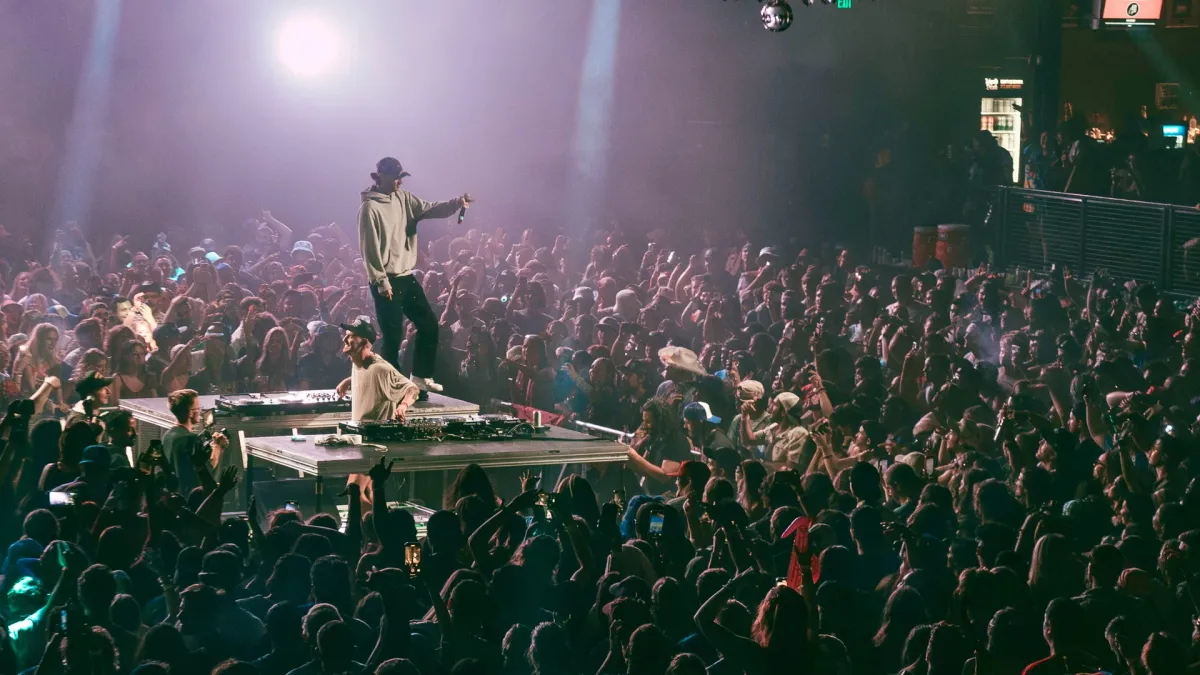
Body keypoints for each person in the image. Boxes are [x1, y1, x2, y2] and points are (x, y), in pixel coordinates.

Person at [357, 156, 472, 394]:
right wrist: (380, 281)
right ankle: (391, 387)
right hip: (385, 280)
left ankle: (420, 376)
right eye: (394, 177)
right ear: (380, 177)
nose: (399, 181)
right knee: (393, 336)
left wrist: (456, 203)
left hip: (405, 276)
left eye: (401, 177)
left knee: (429, 324)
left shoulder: (404, 198)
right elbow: (369, 248)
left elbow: (430, 208)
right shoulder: (370, 208)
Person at [162, 388, 228, 496]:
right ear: (190, 413)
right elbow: (206, 469)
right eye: (198, 408)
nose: (200, 411)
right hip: (190, 498)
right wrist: (218, 447)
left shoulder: (167, 436)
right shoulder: (191, 439)